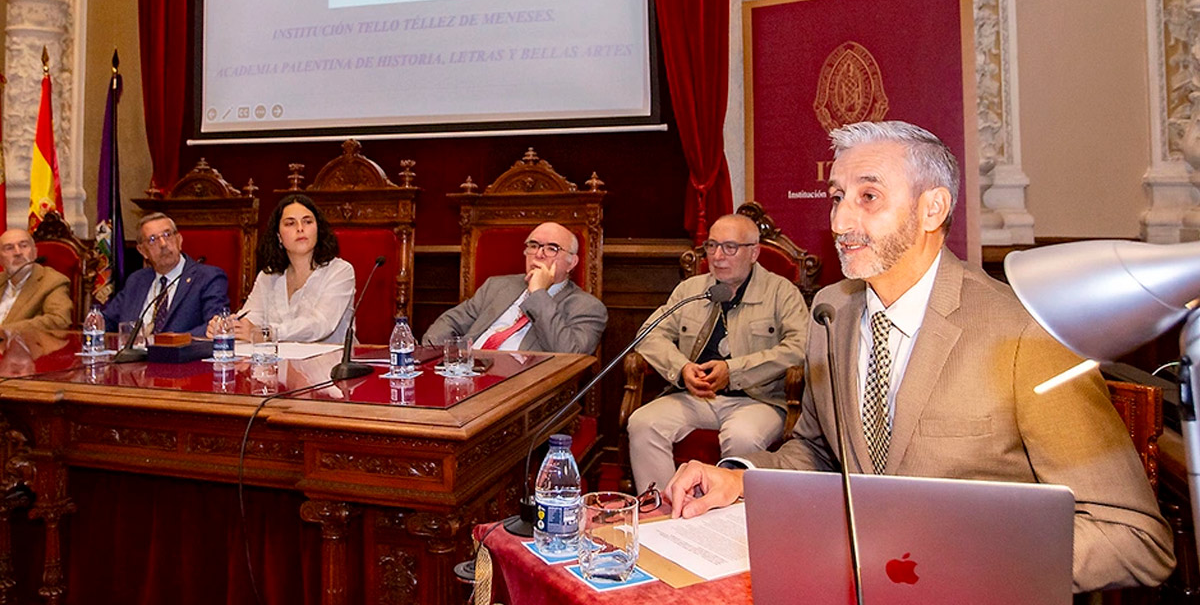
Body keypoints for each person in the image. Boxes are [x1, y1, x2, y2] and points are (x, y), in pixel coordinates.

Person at [664, 121, 1175, 593]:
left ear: (932, 208)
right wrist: (740, 477)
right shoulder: (831, 311)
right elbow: (820, 454)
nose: (841, 220)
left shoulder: (1025, 333)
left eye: (868, 197)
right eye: (837, 197)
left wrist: (950, 561)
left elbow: (1134, 540)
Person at [626, 213, 807, 493]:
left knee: (742, 436)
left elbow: (800, 347)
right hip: (694, 396)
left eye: (730, 247)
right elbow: (649, 334)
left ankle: (730, 521)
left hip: (758, 400)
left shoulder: (781, 292)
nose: (718, 256)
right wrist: (682, 369)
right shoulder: (692, 289)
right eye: (712, 246)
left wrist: (734, 372)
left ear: (754, 252)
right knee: (643, 423)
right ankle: (660, 514)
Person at [422, 222, 607, 354]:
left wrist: (538, 294)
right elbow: (450, 322)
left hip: (521, 390)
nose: (539, 255)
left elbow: (569, 355)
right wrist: (434, 357)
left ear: (571, 262)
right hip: (466, 371)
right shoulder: (497, 286)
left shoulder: (588, 308)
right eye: (533, 246)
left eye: (552, 248)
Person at [212, 193, 354, 344]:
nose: (300, 228)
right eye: (290, 223)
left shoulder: (340, 271)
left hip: (329, 363)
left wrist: (268, 333)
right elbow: (252, 318)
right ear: (278, 236)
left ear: (318, 229)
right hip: (277, 363)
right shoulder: (268, 276)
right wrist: (229, 326)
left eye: (307, 221)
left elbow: (320, 324)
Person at [103, 213, 229, 336]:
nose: (163, 244)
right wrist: (94, 320)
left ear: (179, 240)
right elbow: (107, 321)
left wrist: (167, 342)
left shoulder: (208, 277)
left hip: (180, 355)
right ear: (142, 251)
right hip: (134, 354)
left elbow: (215, 326)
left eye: (167, 235)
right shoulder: (137, 280)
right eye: (152, 240)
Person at [0, 228, 72, 334]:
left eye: (23, 246)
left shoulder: (52, 281)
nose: (18, 252)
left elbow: (59, 321)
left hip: (23, 347)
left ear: (34, 253)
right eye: (9, 248)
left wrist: (5, 331)